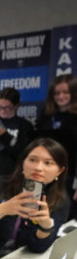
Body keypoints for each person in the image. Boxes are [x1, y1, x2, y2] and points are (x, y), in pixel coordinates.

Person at [0, 138, 69, 259]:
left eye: (48, 163)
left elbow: (38, 248)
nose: (38, 168)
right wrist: (3, 209)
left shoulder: (60, 200)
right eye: (32, 160)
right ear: (22, 163)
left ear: (59, 171)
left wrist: (45, 227)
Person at [36, 74, 77, 218]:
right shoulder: (46, 116)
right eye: (57, 93)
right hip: (44, 174)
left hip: (70, 176)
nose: (61, 96)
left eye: (65, 92)